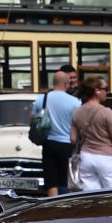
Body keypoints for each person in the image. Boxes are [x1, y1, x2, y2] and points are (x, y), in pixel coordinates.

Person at [70, 79, 112, 192]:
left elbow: (73, 139)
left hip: (86, 157)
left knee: (91, 196)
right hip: (107, 157)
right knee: (111, 194)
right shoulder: (106, 112)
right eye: (105, 89)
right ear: (97, 91)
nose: (107, 92)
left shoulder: (76, 112)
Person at [32, 65, 78, 196]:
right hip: (67, 144)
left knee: (51, 181)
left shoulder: (43, 99)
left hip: (49, 143)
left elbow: (32, 117)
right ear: (66, 83)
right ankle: (66, 206)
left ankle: (53, 207)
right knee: (66, 180)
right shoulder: (74, 102)